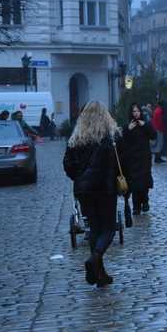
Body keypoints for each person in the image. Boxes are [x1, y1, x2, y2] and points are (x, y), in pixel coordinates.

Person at [63, 101, 120, 288]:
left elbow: (68, 165)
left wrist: (80, 179)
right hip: (105, 189)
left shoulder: (76, 139)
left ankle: (100, 274)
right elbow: (121, 163)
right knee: (109, 228)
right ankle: (95, 258)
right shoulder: (109, 137)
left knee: (94, 228)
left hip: (84, 191)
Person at [121, 103, 157, 215]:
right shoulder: (127, 126)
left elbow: (153, 135)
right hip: (132, 158)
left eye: (137, 111)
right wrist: (128, 129)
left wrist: (145, 125)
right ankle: (136, 206)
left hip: (144, 158)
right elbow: (122, 140)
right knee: (135, 183)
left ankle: (145, 202)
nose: (136, 113)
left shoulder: (145, 124)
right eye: (134, 111)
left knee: (144, 181)